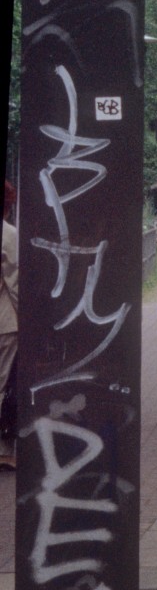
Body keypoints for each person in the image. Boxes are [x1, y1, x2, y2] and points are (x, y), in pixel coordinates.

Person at [0, 181, 17, 470]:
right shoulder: (8, 234)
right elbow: (15, 281)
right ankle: (4, 451)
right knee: (3, 385)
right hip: (4, 322)